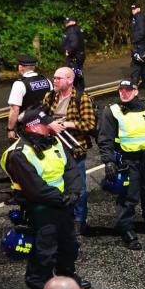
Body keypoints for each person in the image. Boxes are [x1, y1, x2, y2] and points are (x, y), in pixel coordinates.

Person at [3, 107, 84, 289]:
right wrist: (63, 198)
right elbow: (35, 189)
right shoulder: (19, 154)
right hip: (41, 209)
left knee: (68, 246)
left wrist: (72, 193)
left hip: (63, 204)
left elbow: (71, 169)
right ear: (34, 127)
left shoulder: (53, 141)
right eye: (46, 122)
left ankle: (68, 280)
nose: (51, 125)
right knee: (44, 253)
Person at [97, 79, 145, 250]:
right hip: (127, 161)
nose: (124, 93)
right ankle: (126, 229)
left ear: (136, 91)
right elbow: (104, 139)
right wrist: (108, 161)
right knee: (129, 197)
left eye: (128, 90)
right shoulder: (113, 111)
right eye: (121, 90)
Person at [42, 67, 97, 236]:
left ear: (69, 80)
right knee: (57, 185)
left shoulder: (82, 98)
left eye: (58, 78)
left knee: (78, 188)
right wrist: (49, 124)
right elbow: (41, 116)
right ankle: (63, 216)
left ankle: (79, 220)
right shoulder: (49, 96)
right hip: (53, 150)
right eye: (54, 77)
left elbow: (89, 124)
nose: (55, 81)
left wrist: (67, 124)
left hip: (74, 150)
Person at [6, 54, 52, 143]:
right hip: (45, 122)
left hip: (27, 126)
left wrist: (10, 129)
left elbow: (14, 109)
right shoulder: (47, 80)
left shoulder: (19, 84)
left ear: (21, 67)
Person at [128, 3, 145, 89]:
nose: (133, 10)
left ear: (138, 9)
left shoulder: (139, 18)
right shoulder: (139, 17)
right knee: (143, 62)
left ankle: (134, 83)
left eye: (134, 9)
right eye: (132, 9)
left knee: (136, 62)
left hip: (141, 43)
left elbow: (142, 32)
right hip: (143, 42)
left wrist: (135, 40)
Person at [62, 15, 86, 90]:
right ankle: (79, 88)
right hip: (79, 55)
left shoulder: (71, 30)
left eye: (68, 22)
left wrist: (68, 51)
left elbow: (74, 43)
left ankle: (78, 89)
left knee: (71, 72)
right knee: (77, 71)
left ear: (73, 22)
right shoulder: (78, 29)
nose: (66, 24)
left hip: (74, 56)